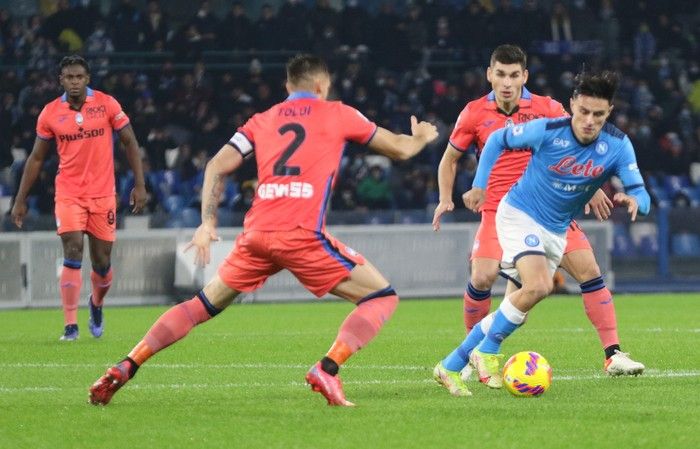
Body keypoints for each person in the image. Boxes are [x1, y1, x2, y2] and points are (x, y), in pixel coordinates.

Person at [88, 54, 438, 407]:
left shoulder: (262, 119)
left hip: (257, 233)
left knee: (199, 306)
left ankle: (126, 365)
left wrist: (207, 222)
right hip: (300, 234)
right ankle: (328, 369)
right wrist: (422, 136)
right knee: (381, 297)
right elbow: (400, 149)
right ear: (322, 86)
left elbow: (216, 164)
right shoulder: (339, 113)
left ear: (287, 86)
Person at [431, 45, 644, 396]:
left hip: (553, 210)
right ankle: (474, 356)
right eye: (501, 74)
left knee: (584, 273)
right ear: (490, 75)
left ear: (524, 77)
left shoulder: (547, 107)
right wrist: (445, 198)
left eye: (514, 75)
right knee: (485, 277)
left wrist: (590, 187)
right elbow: (449, 159)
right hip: (505, 210)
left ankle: (613, 354)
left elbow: (578, 142)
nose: (507, 82)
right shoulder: (473, 112)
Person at [11, 55, 146, 341]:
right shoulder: (50, 113)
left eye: (79, 77)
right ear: (61, 80)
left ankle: (96, 303)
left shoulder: (107, 104)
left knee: (102, 263)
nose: (74, 82)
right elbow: (36, 158)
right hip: (69, 194)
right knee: (73, 249)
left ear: (87, 79)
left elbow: (130, 142)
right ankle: (70, 326)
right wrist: (20, 199)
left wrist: (139, 184)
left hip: (103, 195)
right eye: (69, 77)